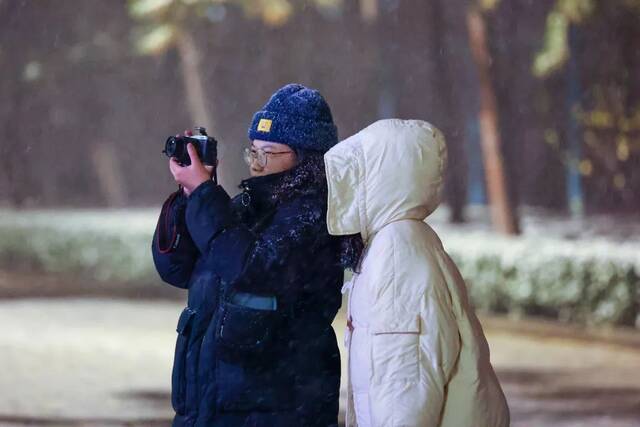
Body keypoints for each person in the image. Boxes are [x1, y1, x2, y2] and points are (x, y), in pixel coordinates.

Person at [152, 83, 344, 426]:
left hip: (275, 412)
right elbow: (177, 268)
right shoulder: (244, 208)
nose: (255, 163)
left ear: (306, 156)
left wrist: (206, 196)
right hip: (208, 409)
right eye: (252, 151)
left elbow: (253, 270)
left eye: (267, 152)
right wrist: (190, 196)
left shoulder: (315, 216)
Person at [324, 119, 510, 427]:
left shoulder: (396, 255)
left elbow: (404, 385)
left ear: (383, 181)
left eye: (358, 172)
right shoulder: (400, 241)